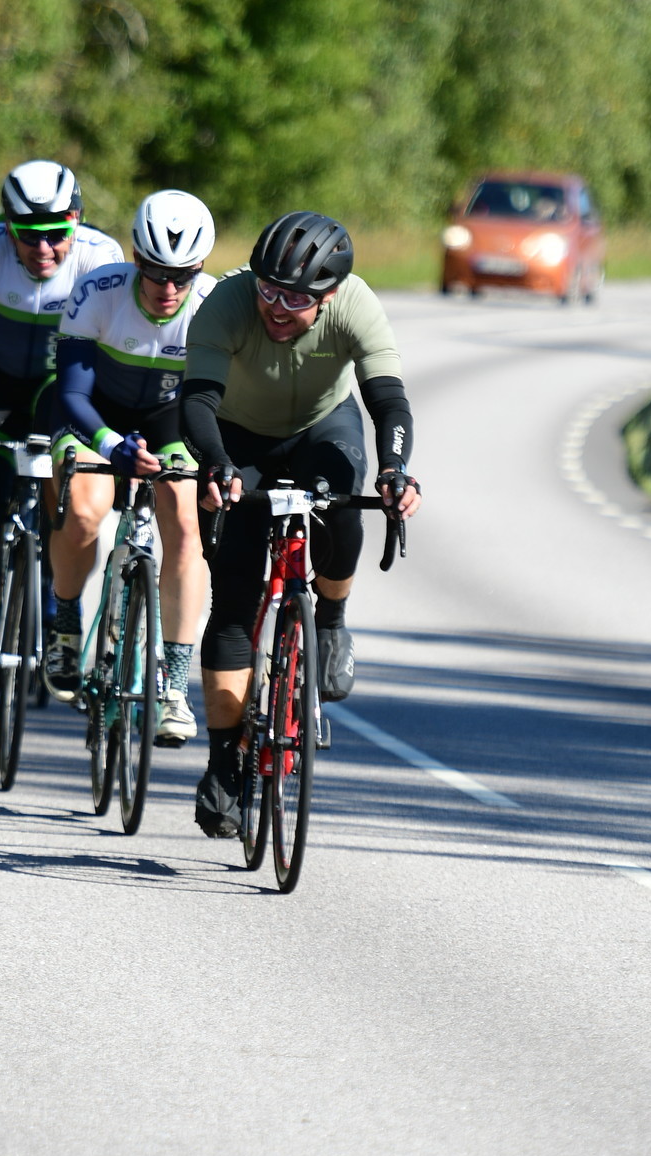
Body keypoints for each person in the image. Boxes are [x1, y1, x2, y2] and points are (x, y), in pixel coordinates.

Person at [180, 209, 421, 838]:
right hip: (237, 436)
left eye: (295, 298)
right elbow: (197, 402)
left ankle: (331, 620)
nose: (276, 308)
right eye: (268, 289)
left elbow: (388, 401)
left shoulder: (357, 306)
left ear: (330, 294)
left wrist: (395, 472)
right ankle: (225, 761)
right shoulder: (228, 304)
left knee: (342, 510)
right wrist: (217, 465)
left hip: (322, 427)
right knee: (233, 603)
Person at [0, 162, 123, 740]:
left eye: (56, 233)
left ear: (77, 220)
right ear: (7, 226)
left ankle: (58, 601)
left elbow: (109, 355)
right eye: (28, 234)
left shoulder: (100, 256)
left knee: (72, 500)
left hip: (57, 390)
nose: (43, 248)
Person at [50, 190, 216, 747]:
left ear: (198, 268)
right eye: (156, 274)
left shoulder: (212, 306)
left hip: (172, 423)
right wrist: (111, 444)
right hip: (94, 415)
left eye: (182, 276)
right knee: (83, 512)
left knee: (186, 527)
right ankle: (65, 622)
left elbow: (217, 402)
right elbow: (72, 394)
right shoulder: (98, 291)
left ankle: (175, 686)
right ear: (137, 260)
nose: (168, 288)